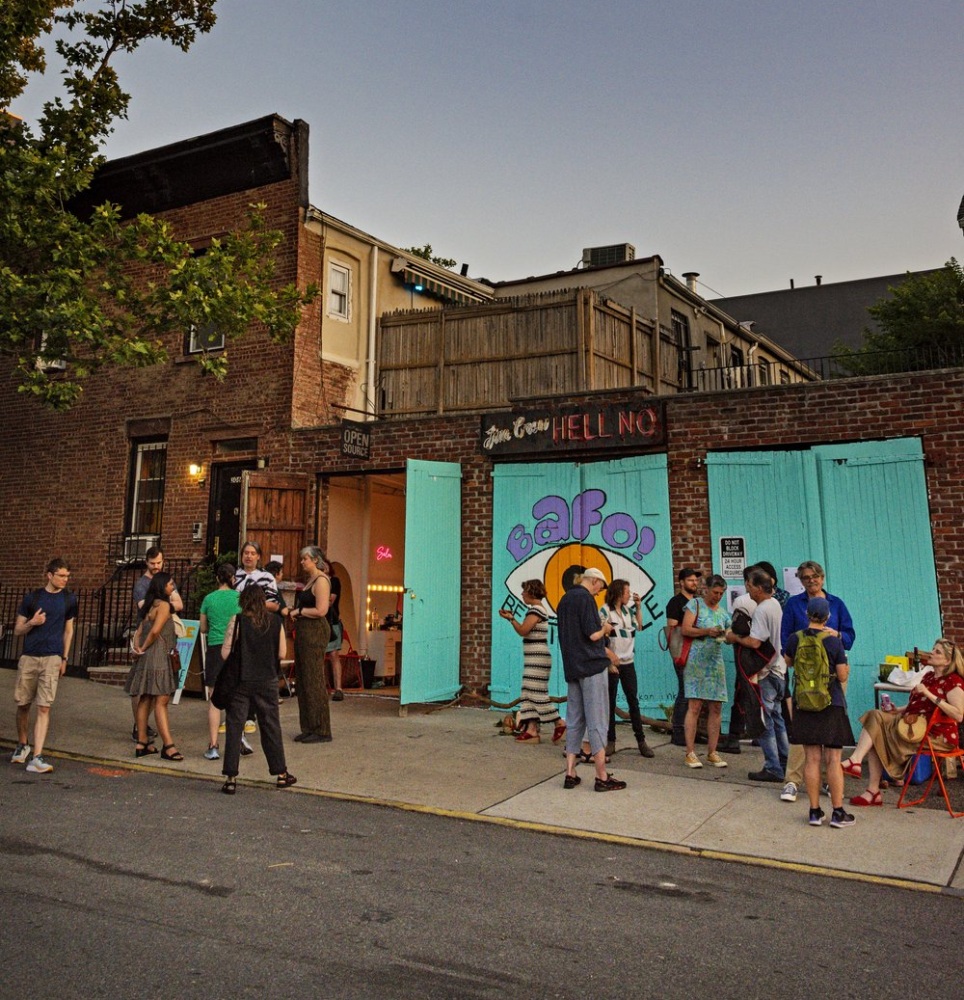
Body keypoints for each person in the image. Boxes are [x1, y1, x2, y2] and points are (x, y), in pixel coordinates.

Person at [841, 638, 964, 806]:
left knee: (876, 729)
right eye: (933, 649)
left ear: (947, 660)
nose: (932, 653)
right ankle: (868, 784)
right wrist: (897, 710)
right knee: (875, 719)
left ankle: (865, 779)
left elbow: (958, 715)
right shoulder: (928, 676)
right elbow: (918, 706)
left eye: (937, 652)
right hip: (912, 725)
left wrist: (929, 694)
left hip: (937, 736)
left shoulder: (953, 681)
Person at [779, 560, 856, 804]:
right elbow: (785, 641)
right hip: (804, 678)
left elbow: (850, 637)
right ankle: (792, 780)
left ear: (822, 578)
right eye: (805, 578)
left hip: (833, 675)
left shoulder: (837, 604)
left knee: (829, 732)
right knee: (803, 731)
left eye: (814, 576)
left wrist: (837, 635)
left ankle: (826, 779)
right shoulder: (794, 605)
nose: (811, 581)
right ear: (800, 581)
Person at [219, 584, 296, 795]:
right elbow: (281, 653)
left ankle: (231, 777)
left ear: (244, 601)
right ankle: (281, 773)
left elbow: (226, 653)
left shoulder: (237, 622)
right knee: (270, 725)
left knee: (235, 726)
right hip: (267, 679)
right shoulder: (276, 622)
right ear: (262, 601)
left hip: (241, 680)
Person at [558, 567, 626, 792]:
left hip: (572, 666)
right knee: (598, 720)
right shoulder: (586, 599)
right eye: (600, 587)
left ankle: (570, 772)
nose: (599, 592)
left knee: (574, 719)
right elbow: (592, 634)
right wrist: (605, 628)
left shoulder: (565, 599)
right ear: (595, 581)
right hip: (591, 665)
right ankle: (601, 776)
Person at [10, 558, 77, 774]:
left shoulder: (69, 599)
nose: (65, 579)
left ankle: (37, 756)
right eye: (61, 576)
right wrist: (32, 623)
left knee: (44, 706)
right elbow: (18, 630)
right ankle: (22, 744)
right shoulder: (33, 598)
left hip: (52, 657)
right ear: (49, 575)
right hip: (29, 656)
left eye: (67, 576)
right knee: (23, 704)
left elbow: (69, 631)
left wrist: (64, 658)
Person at [726, 569, 788, 783]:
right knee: (778, 720)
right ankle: (785, 762)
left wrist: (735, 637)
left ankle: (773, 767)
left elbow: (755, 642)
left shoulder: (762, 609)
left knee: (765, 721)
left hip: (767, 672)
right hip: (780, 670)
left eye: (750, 587)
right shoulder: (776, 605)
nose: (748, 591)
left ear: (760, 588)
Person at [125, 572, 183, 762]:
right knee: (162, 700)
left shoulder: (150, 606)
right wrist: (142, 647)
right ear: (161, 586)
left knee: (146, 698)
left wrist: (137, 650)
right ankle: (168, 746)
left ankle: (142, 743)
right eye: (169, 583)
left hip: (146, 657)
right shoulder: (165, 605)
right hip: (159, 655)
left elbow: (140, 630)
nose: (172, 586)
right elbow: (156, 630)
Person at [499, 579, 565, 745]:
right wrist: (512, 618)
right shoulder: (538, 610)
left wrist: (511, 619)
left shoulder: (535, 610)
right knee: (527, 692)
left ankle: (559, 722)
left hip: (538, 658)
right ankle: (531, 730)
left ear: (531, 592)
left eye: (524, 591)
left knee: (536, 693)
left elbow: (523, 630)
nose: (522, 594)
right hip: (534, 658)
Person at [282, 545, 332, 743]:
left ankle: (322, 729)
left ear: (315, 560)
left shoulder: (321, 581)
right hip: (304, 631)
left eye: (306, 559)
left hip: (315, 631)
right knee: (303, 679)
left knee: (313, 679)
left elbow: (321, 610)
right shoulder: (309, 580)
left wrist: (299, 612)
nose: (302, 562)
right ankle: (309, 726)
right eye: (302, 559)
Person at [680, 574, 731, 768]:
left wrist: (727, 635)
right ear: (707, 590)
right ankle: (690, 752)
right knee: (695, 705)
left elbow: (729, 633)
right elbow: (686, 629)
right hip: (696, 660)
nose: (718, 596)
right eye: (715, 592)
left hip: (715, 661)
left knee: (716, 706)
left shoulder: (724, 613)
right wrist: (706, 631)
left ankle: (712, 751)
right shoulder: (695, 605)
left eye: (721, 593)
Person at [600, 578, 654, 758]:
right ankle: (610, 741)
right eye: (626, 592)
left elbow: (639, 626)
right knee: (610, 703)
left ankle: (641, 741)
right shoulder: (605, 611)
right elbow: (599, 638)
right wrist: (608, 662)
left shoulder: (627, 611)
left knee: (633, 702)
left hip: (628, 662)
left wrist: (638, 607)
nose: (629, 595)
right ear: (617, 593)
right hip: (614, 664)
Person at [234, 541, 281, 741]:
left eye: (253, 553)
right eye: (246, 553)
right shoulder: (234, 576)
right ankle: (240, 712)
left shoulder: (267, 577)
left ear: (259, 557)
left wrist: (253, 605)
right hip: (239, 627)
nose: (249, 556)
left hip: (259, 628)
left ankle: (253, 714)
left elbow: (274, 603)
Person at [198, 563, 240, 760]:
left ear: (217, 579)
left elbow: (203, 628)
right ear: (233, 579)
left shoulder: (208, 599)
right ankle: (238, 739)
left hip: (215, 648)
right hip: (234, 648)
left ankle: (213, 745)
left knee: (215, 700)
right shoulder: (239, 598)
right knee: (235, 697)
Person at [718, 564, 759, 754]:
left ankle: (734, 737)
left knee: (742, 695)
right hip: (767, 657)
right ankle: (760, 736)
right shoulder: (773, 602)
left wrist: (732, 637)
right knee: (765, 696)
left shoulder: (742, 601)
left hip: (746, 654)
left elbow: (737, 629)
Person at [665, 567, 702, 747]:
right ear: (681, 583)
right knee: (685, 692)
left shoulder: (697, 602)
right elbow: (672, 629)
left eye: (695, 580)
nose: (694, 583)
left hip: (697, 653)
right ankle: (678, 731)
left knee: (695, 694)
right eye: (690, 580)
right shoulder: (675, 602)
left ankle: (693, 730)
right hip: (683, 653)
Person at [326, 563, 346, 701]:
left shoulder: (334, 581)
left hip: (332, 622)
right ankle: (322, 687)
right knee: (318, 657)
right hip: (320, 622)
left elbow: (329, 601)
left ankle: (338, 688)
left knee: (334, 655)